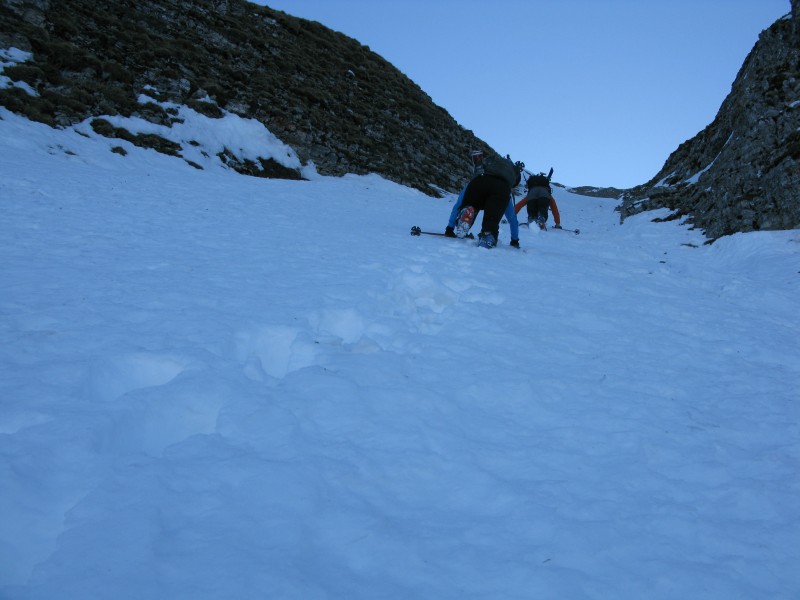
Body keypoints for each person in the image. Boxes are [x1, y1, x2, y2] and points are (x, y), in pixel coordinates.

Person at [444, 153, 522, 249]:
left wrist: (449, 228)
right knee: (492, 217)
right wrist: (515, 240)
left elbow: (458, 203)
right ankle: (487, 235)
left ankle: (465, 215)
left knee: (470, 205)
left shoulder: (484, 171)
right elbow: (512, 218)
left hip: (479, 182)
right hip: (500, 190)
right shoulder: (506, 187)